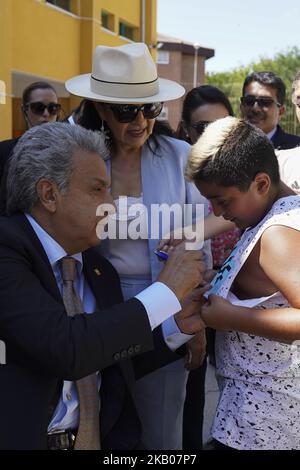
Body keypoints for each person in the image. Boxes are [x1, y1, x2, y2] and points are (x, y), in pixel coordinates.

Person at [0, 122, 207, 450]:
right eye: (98, 189)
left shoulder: (98, 268)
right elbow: (67, 348)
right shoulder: (6, 250)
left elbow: (108, 359)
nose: (112, 203)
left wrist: (173, 325)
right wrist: (164, 292)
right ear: (49, 194)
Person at [65, 42, 212, 450]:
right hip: (94, 309)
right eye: (127, 110)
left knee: (161, 433)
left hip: (170, 305)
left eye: (149, 108)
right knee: (95, 424)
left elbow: (198, 241)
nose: (141, 120)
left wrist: (195, 319)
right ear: (101, 108)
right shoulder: (79, 160)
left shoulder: (180, 156)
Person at [186, 116, 300, 450]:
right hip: (254, 416)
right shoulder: (270, 216)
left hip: (267, 424)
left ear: (261, 184)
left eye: (223, 201)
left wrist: (229, 318)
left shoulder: (277, 233)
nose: (217, 213)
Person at [176, 85, 239, 449]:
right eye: (202, 128)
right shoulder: (177, 165)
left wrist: (190, 230)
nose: (212, 135)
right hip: (192, 296)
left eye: (221, 124)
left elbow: (241, 213)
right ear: (186, 130)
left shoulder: (248, 163)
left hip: (238, 300)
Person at [0, 81, 61, 212]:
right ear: (24, 110)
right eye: (38, 107)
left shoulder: (71, 152)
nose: (46, 114)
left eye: (53, 108)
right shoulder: (3, 151)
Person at [240, 71, 300, 150]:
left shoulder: (295, 148)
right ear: (241, 107)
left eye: (265, 102)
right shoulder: (226, 148)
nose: (255, 108)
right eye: (249, 100)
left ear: (281, 111)